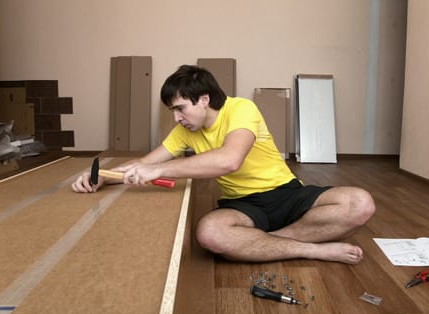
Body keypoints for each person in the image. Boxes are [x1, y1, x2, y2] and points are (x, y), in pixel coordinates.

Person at [72, 65, 375, 264]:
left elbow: (230, 160)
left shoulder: (241, 108)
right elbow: (144, 163)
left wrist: (162, 170)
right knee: (210, 233)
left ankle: (262, 244)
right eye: (172, 111)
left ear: (203, 99)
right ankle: (311, 249)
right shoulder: (183, 131)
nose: (176, 118)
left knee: (360, 203)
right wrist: (102, 176)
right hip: (242, 205)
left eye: (180, 109)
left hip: (286, 192)